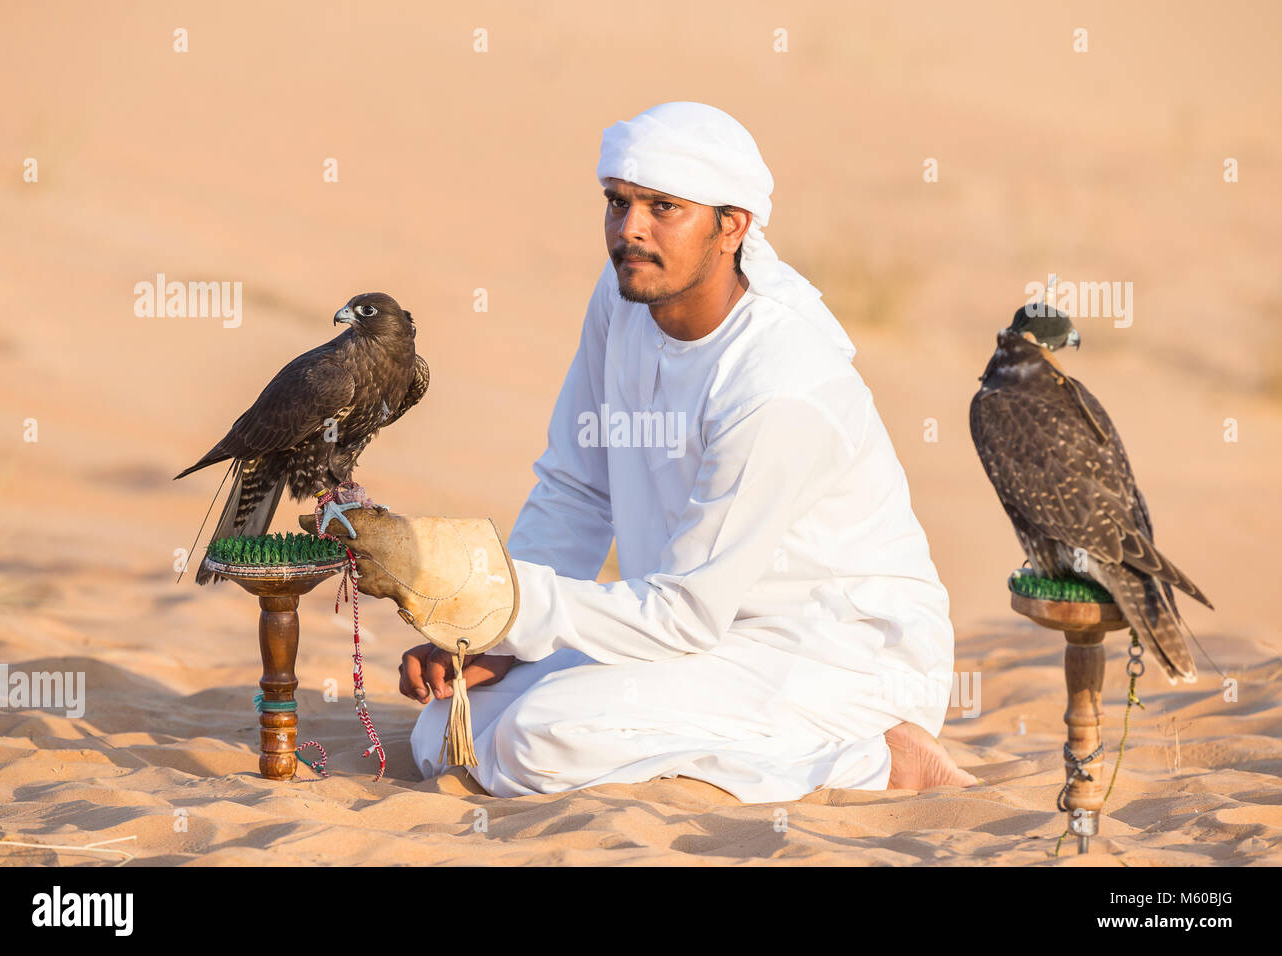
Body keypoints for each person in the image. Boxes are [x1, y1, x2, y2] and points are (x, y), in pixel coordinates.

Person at [399, 101, 976, 802]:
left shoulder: (779, 382)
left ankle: (877, 757)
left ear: (732, 225)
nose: (629, 229)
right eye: (618, 204)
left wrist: (513, 611)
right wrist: (494, 635)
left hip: (831, 652)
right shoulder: (622, 301)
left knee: (538, 739)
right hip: (681, 628)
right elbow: (577, 488)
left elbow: (684, 612)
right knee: (442, 733)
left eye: (663, 207)